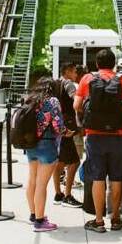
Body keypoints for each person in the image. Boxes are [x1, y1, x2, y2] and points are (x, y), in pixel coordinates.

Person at [74, 49, 122, 233]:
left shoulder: (87, 79)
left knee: (98, 177)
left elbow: (76, 105)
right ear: (114, 64)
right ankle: (115, 218)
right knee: (117, 178)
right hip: (119, 135)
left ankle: (99, 221)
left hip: (94, 135)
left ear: (97, 64)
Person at [24, 77, 65, 232]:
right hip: (47, 144)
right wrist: (67, 132)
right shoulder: (52, 101)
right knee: (42, 184)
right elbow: (58, 126)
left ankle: (34, 214)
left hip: (31, 144)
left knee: (32, 180)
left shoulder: (30, 99)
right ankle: (40, 222)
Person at [52, 63, 82, 208]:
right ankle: (67, 195)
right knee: (75, 162)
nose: (76, 74)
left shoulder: (54, 83)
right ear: (68, 71)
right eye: (75, 71)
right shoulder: (69, 84)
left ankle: (58, 193)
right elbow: (76, 101)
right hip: (67, 128)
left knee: (59, 162)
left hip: (56, 127)